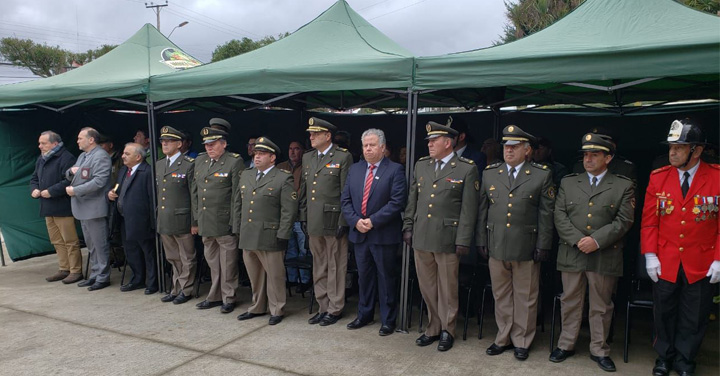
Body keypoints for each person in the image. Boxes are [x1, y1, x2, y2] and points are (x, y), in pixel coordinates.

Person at [641, 119, 720, 376]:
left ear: (696, 150)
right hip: (666, 259)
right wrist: (650, 255)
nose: (672, 152)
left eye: (679, 147)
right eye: (671, 147)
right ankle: (664, 357)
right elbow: (649, 222)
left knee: (694, 315)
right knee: (663, 312)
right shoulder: (658, 177)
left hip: (702, 260)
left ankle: (685, 360)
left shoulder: (717, 177)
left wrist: (719, 259)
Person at [551, 133, 635, 372]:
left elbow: (624, 221)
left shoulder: (623, 185)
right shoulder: (569, 182)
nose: (588, 159)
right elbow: (559, 215)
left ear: (608, 158)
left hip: (604, 253)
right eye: (586, 154)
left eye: (594, 154)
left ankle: (599, 349)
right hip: (572, 251)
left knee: (601, 305)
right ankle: (566, 344)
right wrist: (579, 240)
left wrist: (596, 241)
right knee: (570, 301)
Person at [476, 125, 554, 360]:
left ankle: (522, 340)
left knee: (526, 295)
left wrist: (543, 244)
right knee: (501, 295)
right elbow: (482, 210)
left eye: (514, 147)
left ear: (527, 150)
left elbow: (546, 213)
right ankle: (503, 337)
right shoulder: (491, 172)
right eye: (506, 147)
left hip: (526, 245)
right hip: (496, 243)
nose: (508, 151)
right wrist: (481, 239)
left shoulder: (541, 174)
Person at [403, 121, 480, 351]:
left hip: (448, 237)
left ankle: (448, 329)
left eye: (434, 141)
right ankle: (433, 327)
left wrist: (463, 239)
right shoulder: (422, 165)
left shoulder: (466, 168)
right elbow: (412, 200)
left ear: (448, 143)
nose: (430, 145)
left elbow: (469, 210)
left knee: (448, 288)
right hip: (422, 235)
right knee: (427, 287)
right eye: (429, 141)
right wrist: (408, 226)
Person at [341, 129, 407, 336]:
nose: (368, 149)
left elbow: (397, 202)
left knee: (386, 278)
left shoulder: (395, 170)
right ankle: (364, 314)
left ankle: (388, 320)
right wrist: (355, 221)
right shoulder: (355, 169)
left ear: (382, 147)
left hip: (383, 234)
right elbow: (345, 200)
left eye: (372, 145)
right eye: (365, 145)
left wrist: (373, 221)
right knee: (364, 276)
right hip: (359, 233)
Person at [234, 137, 298, 325]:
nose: (257, 157)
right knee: (255, 274)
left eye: (262, 154)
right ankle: (257, 306)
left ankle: (277, 308)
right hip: (248, 233)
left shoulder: (282, 177)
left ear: (272, 157)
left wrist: (283, 234)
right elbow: (238, 203)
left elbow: (289, 209)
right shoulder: (246, 175)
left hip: (270, 234)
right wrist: (237, 227)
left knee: (275, 275)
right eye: (255, 154)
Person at [298, 117, 354, 326]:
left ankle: (335, 307)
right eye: (310, 133)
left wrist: (343, 220)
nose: (311, 136)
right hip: (314, 220)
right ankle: (323, 306)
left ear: (327, 136)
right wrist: (303, 216)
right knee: (319, 265)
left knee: (336, 265)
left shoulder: (342, 156)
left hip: (333, 220)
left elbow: (346, 192)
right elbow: (304, 191)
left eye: (315, 133)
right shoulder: (308, 158)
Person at [192, 126, 243, 314]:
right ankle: (214, 296)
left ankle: (229, 297)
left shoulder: (233, 162)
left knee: (228, 264)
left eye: (213, 144)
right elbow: (195, 192)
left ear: (224, 144)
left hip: (224, 222)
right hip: (206, 221)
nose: (209, 148)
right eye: (206, 145)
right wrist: (195, 220)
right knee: (213, 263)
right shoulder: (200, 161)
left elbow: (237, 196)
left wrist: (234, 223)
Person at [31, 131, 82, 284]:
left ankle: (75, 271)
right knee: (56, 240)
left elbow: (69, 181)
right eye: (40, 143)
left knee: (70, 240)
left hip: (62, 206)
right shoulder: (41, 159)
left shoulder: (66, 158)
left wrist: (51, 192)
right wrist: (34, 189)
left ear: (54, 144)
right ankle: (64, 268)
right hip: (47, 207)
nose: (40, 146)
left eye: (43, 143)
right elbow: (34, 177)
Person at [65, 127, 112, 291]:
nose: (77, 141)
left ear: (91, 139)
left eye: (80, 138)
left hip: (94, 206)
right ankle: (94, 273)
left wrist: (76, 190)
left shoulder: (100, 156)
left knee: (100, 244)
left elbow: (99, 181)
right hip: (83, 207)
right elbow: (73, 173)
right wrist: (70, 172)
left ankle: (103, 276)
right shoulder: (83, 156)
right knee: (91, 244)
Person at [108, 143, 157, 294]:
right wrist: (111, 194)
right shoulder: (124, 170)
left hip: (141, 220)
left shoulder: (147, 171)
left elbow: (151, 198)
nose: (123, 156)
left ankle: (152, 282)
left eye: (127, 154)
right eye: (123, 153)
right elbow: (118, 188)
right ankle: (137, 279)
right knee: (131, 251)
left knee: (148, 252)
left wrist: (152, 222)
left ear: (138, 157)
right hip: (124, 218)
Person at [156, 126, 196, 304]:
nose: (164, 144)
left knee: (187, 256)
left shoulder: (189, 164)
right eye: (163, 141)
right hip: (165, 218)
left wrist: (195, 221)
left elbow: (194, 195)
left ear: (179, 144)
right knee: (172, 257)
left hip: (183, 218)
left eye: (169, 141)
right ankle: (176, 287)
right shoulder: (159, 164)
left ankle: (186, 289)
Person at [277, 140, 311, 292]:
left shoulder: (307, 166)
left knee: (304, 250)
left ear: (303, 150)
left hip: (301, 215)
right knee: (289, 249)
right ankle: (291, 279)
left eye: (297, 148)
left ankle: (304, 280)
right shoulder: (280, 167)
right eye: (290, 149)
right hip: (285, 216)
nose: (293, 152)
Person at [572, 127, 636, 183]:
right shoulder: (578, 167)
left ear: (613, 144)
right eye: (585, 154)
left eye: (595, 155)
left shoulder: (625, 168)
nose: (588, 159)